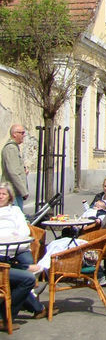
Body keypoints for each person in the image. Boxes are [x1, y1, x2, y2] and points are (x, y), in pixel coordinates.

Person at [0, 181, 53, 320]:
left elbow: (24, 231)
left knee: (23, 273)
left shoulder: (15, 211)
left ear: (9, 196)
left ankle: (32, 303)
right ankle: (35, 307)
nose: (0, 196)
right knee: (24, 277)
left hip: (18, 248)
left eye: (3, 194)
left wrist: (14, 237)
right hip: (1, 251)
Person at [1, 124, 28, 209]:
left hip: (15, 191)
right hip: (13, 192)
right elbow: (13, 172)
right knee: (16, 216)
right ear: (14, 134)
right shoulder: (11, 148)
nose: (24, 135)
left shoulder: (14, 147)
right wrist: (23, 191)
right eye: (22, 133)